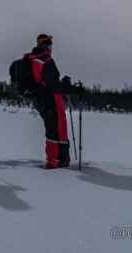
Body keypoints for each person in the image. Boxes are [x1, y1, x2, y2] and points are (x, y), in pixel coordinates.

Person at [27, 33, 83, 169]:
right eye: (50, 44)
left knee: (52, 129)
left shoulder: (32, 59)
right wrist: (71, 88)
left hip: (41, 100)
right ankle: (57, 161)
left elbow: (44, 81)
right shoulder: (45, 60)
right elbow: (53, 85)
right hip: (51, 99)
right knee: (57, 129)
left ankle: (55, 160)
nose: (52, 47)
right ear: (47, 45)